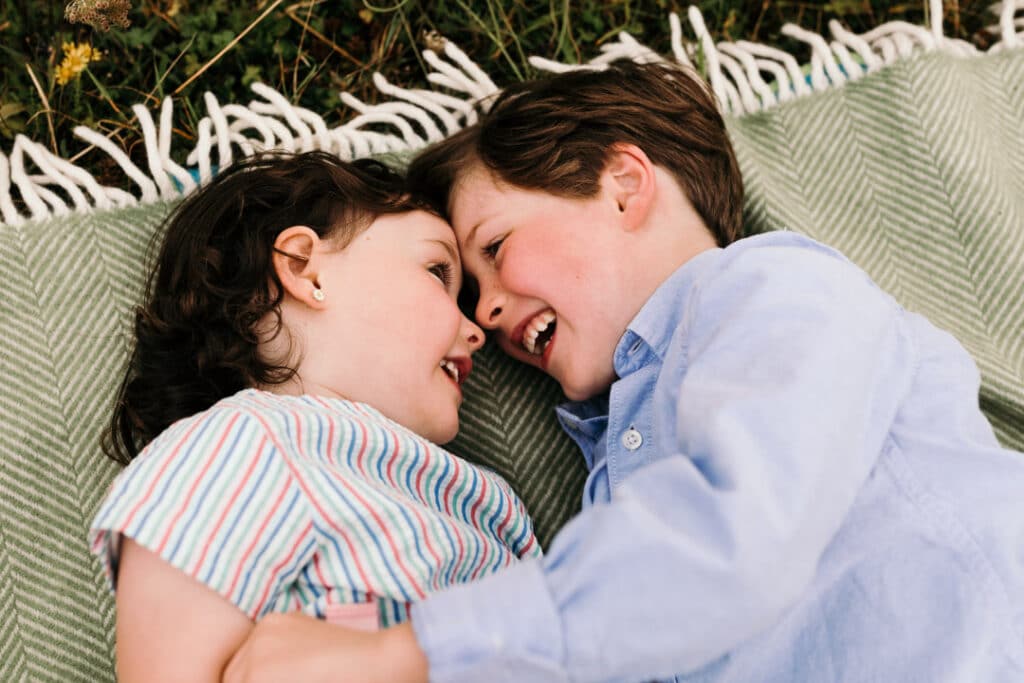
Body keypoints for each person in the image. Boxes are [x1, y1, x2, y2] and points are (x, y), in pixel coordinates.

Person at [224, 61, 1024, 683]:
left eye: (495, 249)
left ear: (623, 184)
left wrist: (409, 650)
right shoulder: (612, 470)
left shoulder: (774, 290)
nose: (487, 315)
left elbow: (741, 535)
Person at [88, 151, 541, 682]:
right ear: (306, 268)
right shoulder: (241, 446)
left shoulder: (479, 497)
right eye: (437, 272)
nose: (475, 331)